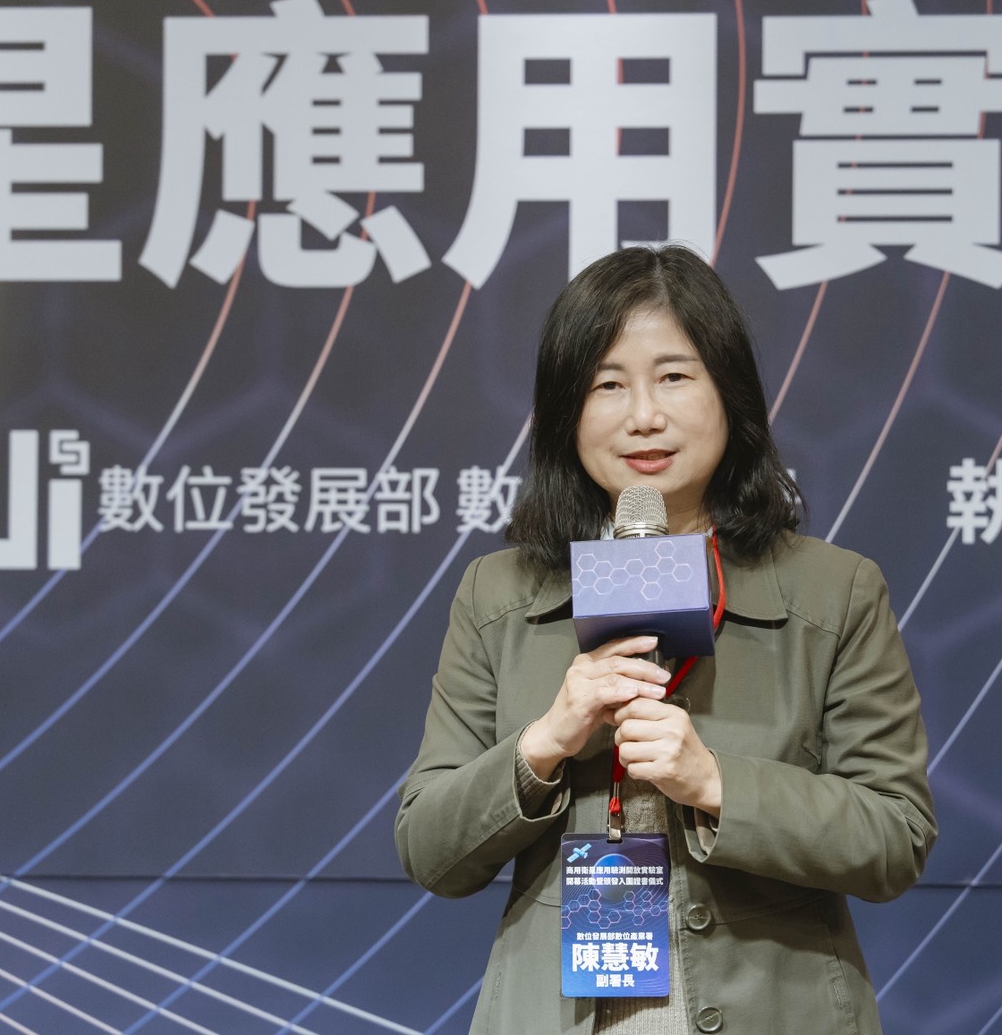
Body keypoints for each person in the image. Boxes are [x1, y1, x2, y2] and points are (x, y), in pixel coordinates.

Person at [395, 245, 935, 1034]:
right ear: (564, 412)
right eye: (606, 384)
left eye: (674, 376)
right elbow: (429, 849)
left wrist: (715, 783)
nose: (642, 415)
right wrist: (544, 743)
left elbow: (893, 836)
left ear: (730, 393)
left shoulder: (834, 589)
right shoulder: (498, 593)